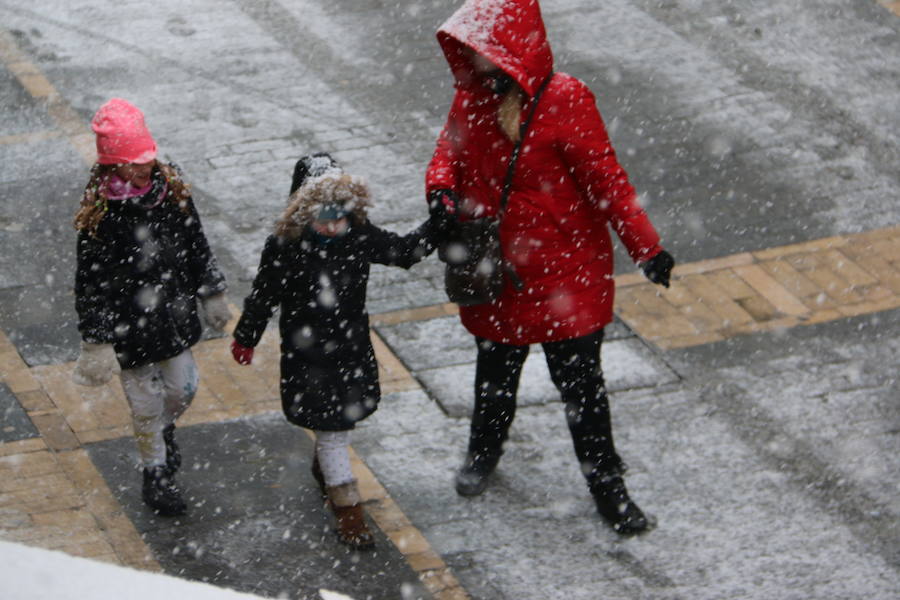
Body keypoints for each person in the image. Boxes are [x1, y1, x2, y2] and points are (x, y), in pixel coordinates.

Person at [425, 0, 675, 535]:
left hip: (566, 273)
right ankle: (483, 452)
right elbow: (447, 152)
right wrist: (441, 192)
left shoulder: (564, 99)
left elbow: (605, 180)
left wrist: (646, 248)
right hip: (495, 270)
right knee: (495, 377)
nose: (474, 59)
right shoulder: (471, 98)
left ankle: (609, 488)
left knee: (582, 389)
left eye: (482, 48)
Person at [230, 154, 443, 549]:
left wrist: (439, 224)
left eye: (340, 216)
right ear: (303, 212)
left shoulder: (359, 235)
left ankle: (326, 467)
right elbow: (264, 294)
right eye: (324, 217)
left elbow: (404, 252)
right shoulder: (285, 246)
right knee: (333, 433)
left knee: (335, 427)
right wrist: (247, 334)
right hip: (308, 354)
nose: (333, 226)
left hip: (349, 349)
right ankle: (349, 514)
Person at [72, 98, 232, 517]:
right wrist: (96, 340)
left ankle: (163, 430)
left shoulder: (172, 192)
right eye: (132, 162)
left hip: (173, 315)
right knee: (143, 406)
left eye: (146, 158)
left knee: (183, 389)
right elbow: (89, 281)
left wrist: (211, 290)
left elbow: (197, 242)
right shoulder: (100, 214)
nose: (143, 167)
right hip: (128, 327)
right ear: (112, 165)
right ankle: (154, 472)